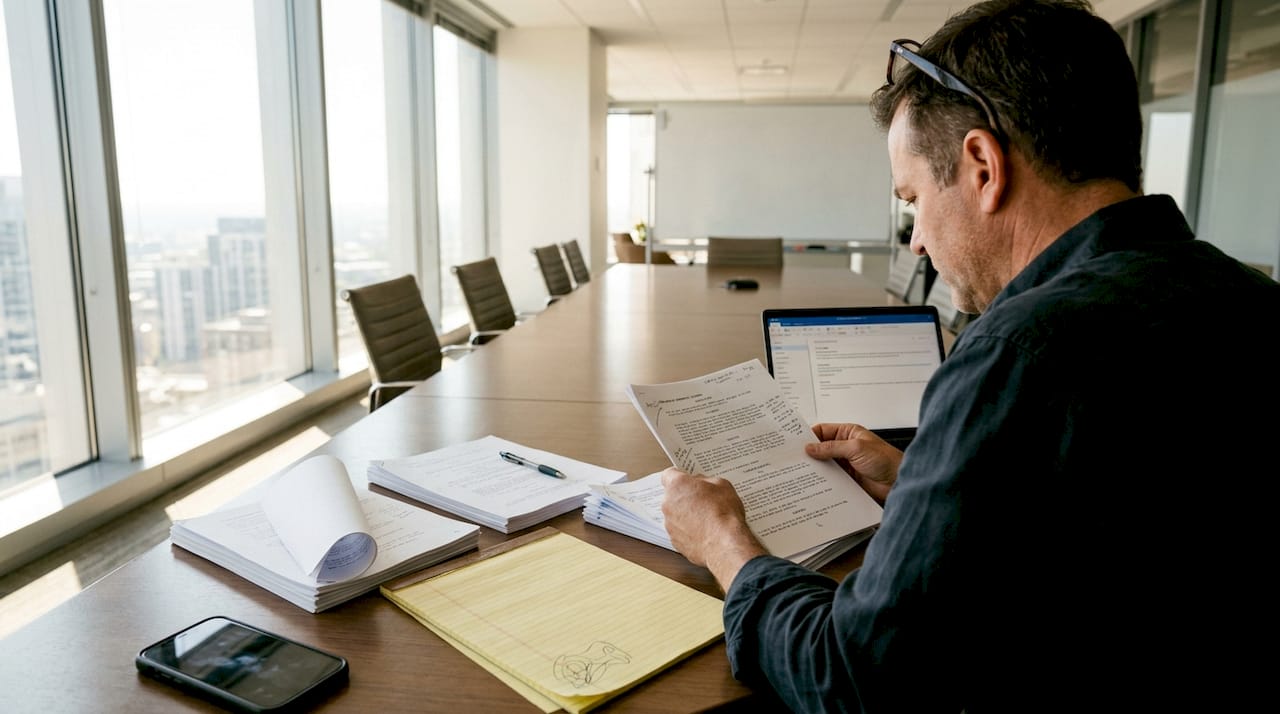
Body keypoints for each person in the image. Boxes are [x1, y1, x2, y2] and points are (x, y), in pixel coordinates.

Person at [659, 0, 1280, 711]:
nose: (917, 240)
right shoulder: (1250, 298)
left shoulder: (1017, 353)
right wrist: (920, 482)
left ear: (983, 166)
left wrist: (727, 547)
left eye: (914, 198)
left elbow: (855, 679)